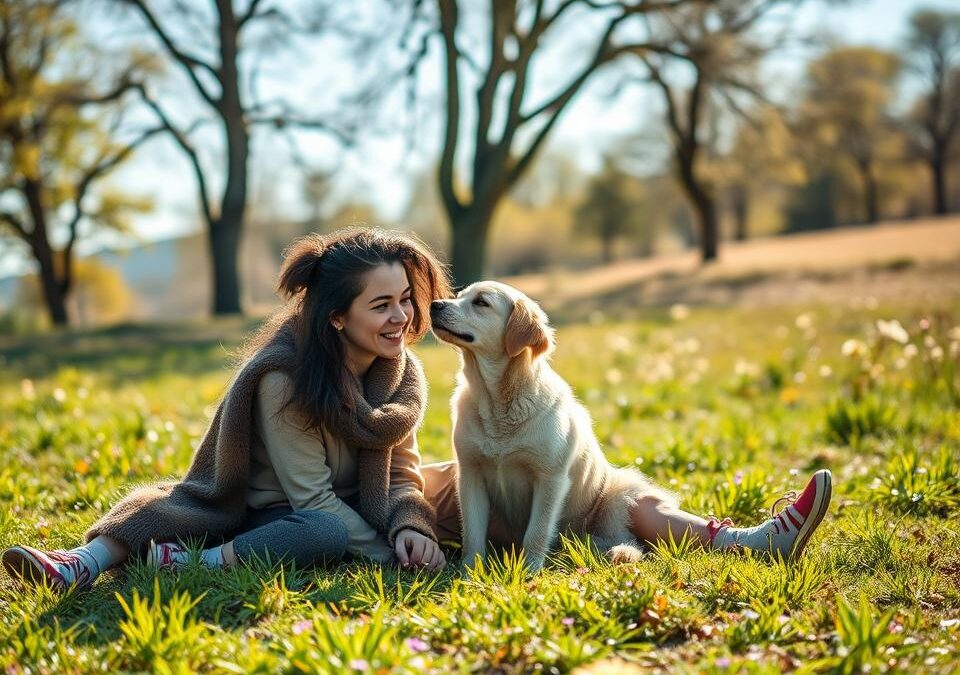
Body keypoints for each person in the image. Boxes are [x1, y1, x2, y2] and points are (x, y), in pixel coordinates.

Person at [3, 228, 453, 591]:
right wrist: (384, 553)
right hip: (270, 512)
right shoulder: (284, 378)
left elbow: (399, 476)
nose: (402, 317)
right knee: (319, 531)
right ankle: (129, 563)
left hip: (348, 503)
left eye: (405, 299)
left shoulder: (398, 373)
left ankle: (157, 559)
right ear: (337, 316)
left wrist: (409, 528)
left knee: (443, 483)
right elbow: (312, 498)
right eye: (381, 305)